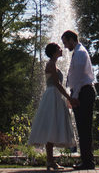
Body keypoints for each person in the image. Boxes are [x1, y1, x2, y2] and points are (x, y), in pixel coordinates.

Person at [29, 42, 76, 170]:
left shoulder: (53, 64)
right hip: (52, 95)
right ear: (54, 51)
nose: (61, 49)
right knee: (51, 125)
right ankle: (50, 161)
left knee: (53, 126)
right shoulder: (51, 64)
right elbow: (57, 83)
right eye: (59, 48)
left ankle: (50, 161)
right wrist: (69, 98)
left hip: (54, 96)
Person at [61, 30, 96, 170]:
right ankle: (87, 160)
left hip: (84, 92)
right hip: (81, 92)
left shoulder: (80, 53)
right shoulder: (78, 52)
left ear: (72, 40)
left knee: (84, 128)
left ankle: (88, 161)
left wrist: (74, 97)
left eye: (65, 42)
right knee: (83, 128)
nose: (65, 46)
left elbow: (81, 78)